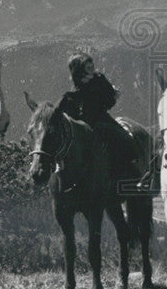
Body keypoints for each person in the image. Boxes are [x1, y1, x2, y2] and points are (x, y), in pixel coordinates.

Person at [55, 53, 141, 189]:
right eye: (87, 66)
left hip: (99, 119)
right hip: (89, 121)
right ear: (79, 69)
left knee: (124, 138)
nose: (91, 68)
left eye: (91, 65)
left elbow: (109, 99)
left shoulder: (98, 79)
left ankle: (132, 172)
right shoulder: (75, 88)